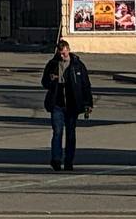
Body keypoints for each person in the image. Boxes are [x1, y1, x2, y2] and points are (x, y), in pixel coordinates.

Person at [42, 39, 93, 171]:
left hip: (72, 104)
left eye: (64, 53)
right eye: (60, 54)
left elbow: (85, 85)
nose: (62, 56)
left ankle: (69, 161)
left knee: (71, 134)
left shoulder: (77, 65)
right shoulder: (52, 64)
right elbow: (44, 82)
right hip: (57, 103)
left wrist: (88, 103)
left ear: (68, 50)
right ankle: (56, 159)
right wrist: (51, 79)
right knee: (57, 132)